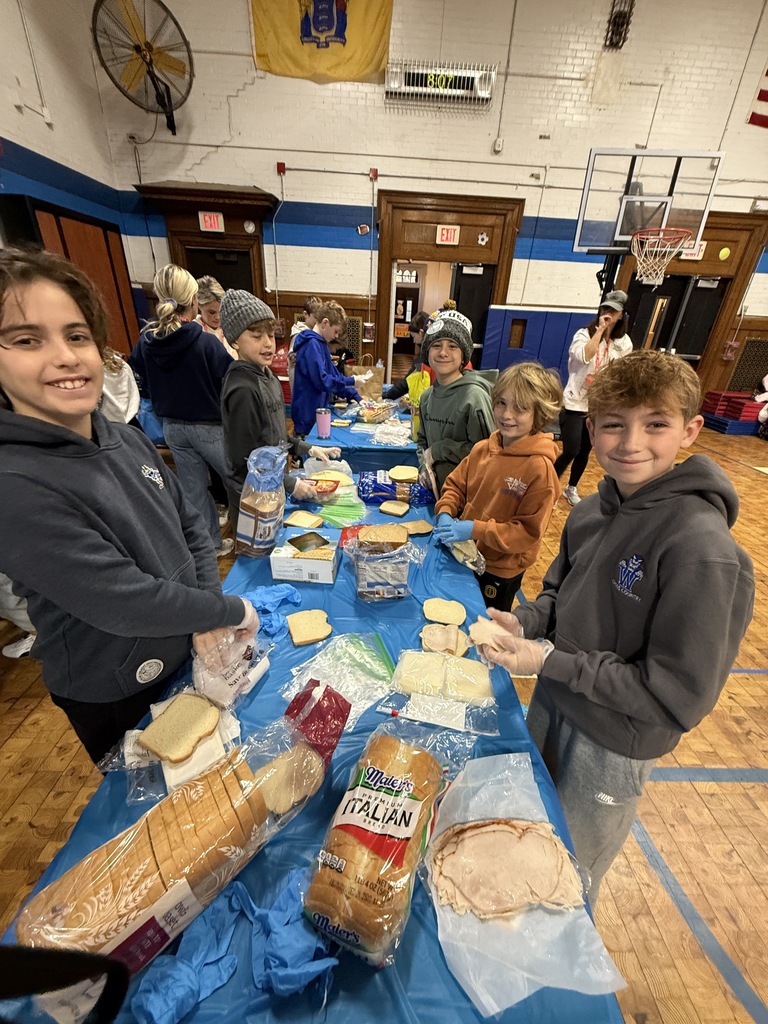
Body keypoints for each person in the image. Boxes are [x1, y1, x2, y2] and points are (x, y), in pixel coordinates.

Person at [477, 350, 754, 901]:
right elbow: (559, 592)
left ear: (691, 430)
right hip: (554, 704)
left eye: (656, 424)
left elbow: (676, 695)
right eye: (613, 425)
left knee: (568, 882)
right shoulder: (589, 512)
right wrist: (526, 619)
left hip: (612, 744)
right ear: (591, 429)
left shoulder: (702, 549)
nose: (630, 443)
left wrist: (551, 661)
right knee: (528, 841)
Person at [0, 248, 258, 763]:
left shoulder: (127, 440)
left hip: (184, 645)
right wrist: (229, 608)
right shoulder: (15, 484)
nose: (66, 356)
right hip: (116, 685)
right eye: (27, 340)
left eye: (77, 336)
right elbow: (122, 599)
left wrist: (206, 611)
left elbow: (191, 524)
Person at [434, 362, 563, 611]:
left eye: (520, 408)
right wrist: (445, 512)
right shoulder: (483, 448)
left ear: (540, 413)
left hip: (500, 571)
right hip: (466, 554)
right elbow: (455, 485)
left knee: (487, 627)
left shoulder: (540, 470)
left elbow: (526, 533)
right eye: (501, 402)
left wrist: (476, 529)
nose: (506, 414)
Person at [129, 265, 235, 555]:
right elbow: (229, 384)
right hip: (210, 426)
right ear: (194, 302)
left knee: (194, 491)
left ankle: (210, 544)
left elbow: (137, 376)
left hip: (171, 428)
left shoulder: (147, 341)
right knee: (239, 481)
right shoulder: (206, 343)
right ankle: (249, 542)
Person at [219, 290, 341, 528]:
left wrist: (307, 447)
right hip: (253, 500)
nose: (267, 343)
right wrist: (291, 484)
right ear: (234, 341)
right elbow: (245, 461)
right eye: (256, 336)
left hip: (272, 489)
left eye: (271, 335)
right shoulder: (243, 390)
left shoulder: (267, 377)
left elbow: (273, 434)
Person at [555, 290, 633, 506]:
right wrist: (599, 331)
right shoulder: (584, 334)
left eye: (613, 311)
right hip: (574, 403)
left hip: (598, 406)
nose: (608, 313)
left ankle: (571, 488)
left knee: (585, 450)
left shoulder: (624, 342)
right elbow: (584, 356)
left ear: (621, 315)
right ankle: (549, 486)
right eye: (605, 308)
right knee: (571, 449)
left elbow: (621, 373)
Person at [416, 309, 494, 494]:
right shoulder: (427, 397)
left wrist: (439, 450)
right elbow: (422, 440)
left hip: (469, 495)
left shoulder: (474, 397)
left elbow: (487, 451)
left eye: (452, 346)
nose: (443, 352)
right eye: (436, 345)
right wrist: (423, 467)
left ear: (463, 355)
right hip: (438, 492)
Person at [291, 300, 367, 436]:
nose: (336, 336)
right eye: (336, 331)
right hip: (307, 413)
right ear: (325, 323)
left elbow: (335, 376)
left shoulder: (321, 344)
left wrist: (355, 395)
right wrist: (352, 381)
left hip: (317, 410)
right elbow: (323, 380)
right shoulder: (311, 345)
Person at [383, 310, 432, 401]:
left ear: (421, 332)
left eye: (414, 337)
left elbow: (406, 383)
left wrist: (385, 396)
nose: (414, 341)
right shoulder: (429, 351)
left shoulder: (426, 356)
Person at [196, 275, 237, 359]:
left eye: (221, 311)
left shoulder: (230, 325)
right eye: (211, 312)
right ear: (199, 305)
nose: (218, 317)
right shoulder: (195, 330)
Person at [288, 296, 321, 394]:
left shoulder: (314, 333)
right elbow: (293, 358)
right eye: (316, 317)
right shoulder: (299, 334)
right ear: (306, 314)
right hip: (300, 382)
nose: (318, 322)